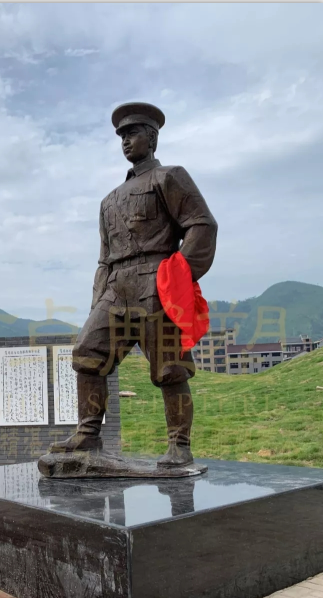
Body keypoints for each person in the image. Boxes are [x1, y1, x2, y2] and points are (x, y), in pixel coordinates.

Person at [51, 102, 217, 466]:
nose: (126, 141)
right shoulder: (109, 200)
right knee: (87, 352)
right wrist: (97, 302)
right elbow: (104, 258)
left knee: (170, 367)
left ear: (152, 138)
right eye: (122, 136)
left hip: (156, 281)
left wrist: (178, 276)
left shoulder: (169, 177)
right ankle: (88, 434)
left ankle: (179, 445)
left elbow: (201, 225)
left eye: (133, 133)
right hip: (116, 286)